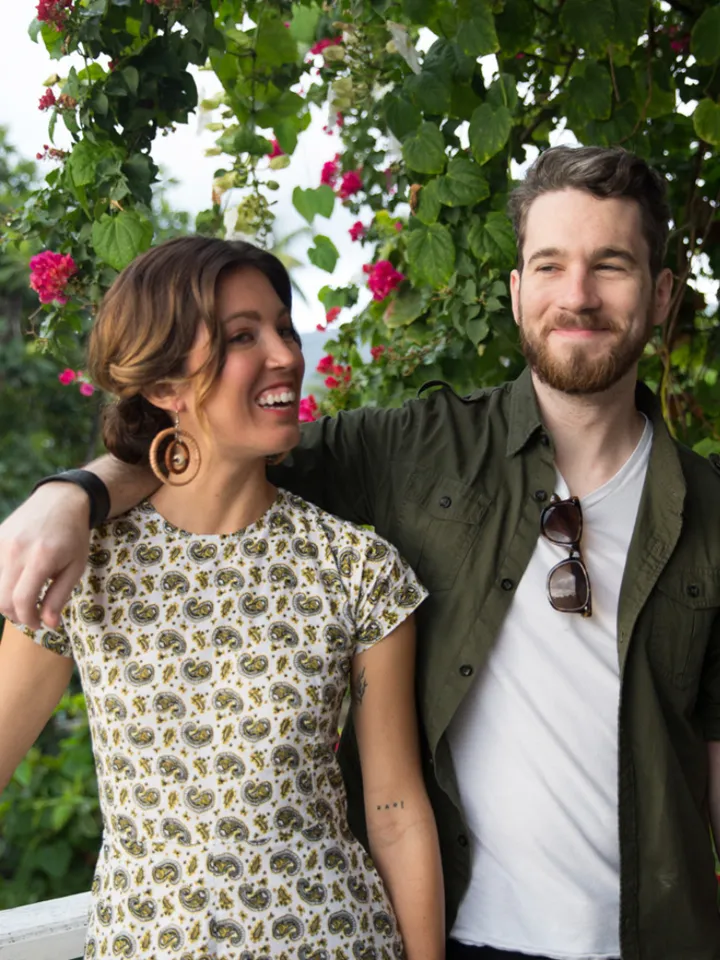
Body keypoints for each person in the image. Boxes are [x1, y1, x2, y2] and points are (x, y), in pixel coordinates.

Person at [1, 145, 719, 960]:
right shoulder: (415, 450)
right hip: (467, 933)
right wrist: (75, 495)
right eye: (550, 265)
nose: (578, 295)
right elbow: (207, 459)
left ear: (661, 294)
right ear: (517, 291)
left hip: (655, 938)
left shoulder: (712, 514)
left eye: (612, 265)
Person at [0, 236, 446, 960]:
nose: (284, 355)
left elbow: (394, 809)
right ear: (165, 384)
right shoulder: (84, 565)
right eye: (243, 336)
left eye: (283, 327)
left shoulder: (358, 567)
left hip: (336, 940)